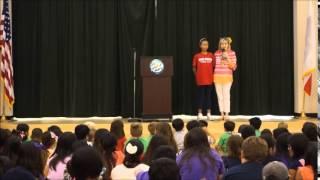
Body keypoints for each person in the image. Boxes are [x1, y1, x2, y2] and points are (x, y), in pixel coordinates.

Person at [213, 37, 237, 120]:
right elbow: (214, 65)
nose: (224, 45)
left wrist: (227, 57)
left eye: (225, 43)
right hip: (217, 77)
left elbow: (234, 67)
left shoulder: (232, 53)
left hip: (227, 77)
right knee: (220, 96)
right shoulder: (216, 53)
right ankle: (221, 113)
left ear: (228, 44)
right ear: (220, 45)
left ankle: (227, 113)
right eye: (222, 44)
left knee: (226, 95)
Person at [192, 37, 215, 120]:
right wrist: (197, 75)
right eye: (204, 44)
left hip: (209, 80)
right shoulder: (197, 56)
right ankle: (200, 113)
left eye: (207, 44)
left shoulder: (211, 55)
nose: (205, 46)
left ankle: (208, 113)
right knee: (200, 96)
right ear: (200, 46)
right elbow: (194, 67)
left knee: (208, 96)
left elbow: (213, 66)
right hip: (200, 80)